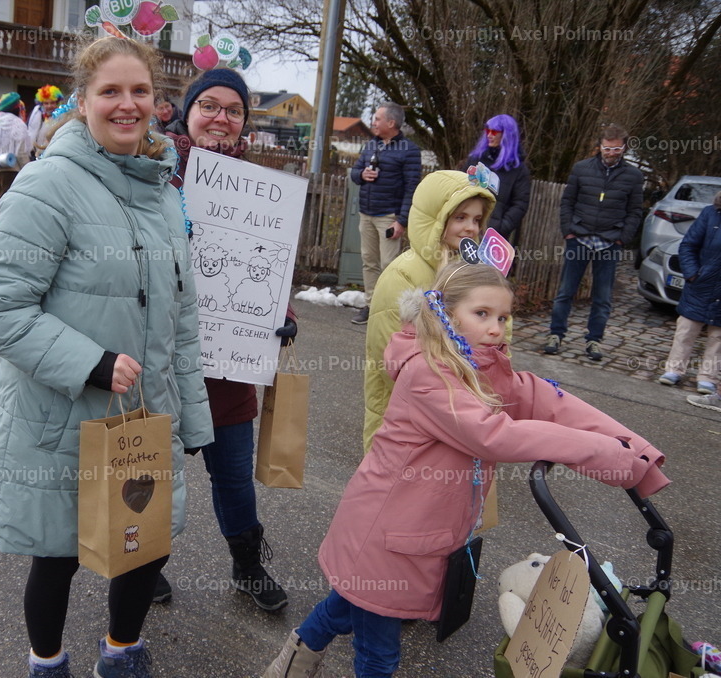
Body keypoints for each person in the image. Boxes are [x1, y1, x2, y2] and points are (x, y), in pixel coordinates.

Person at [264, 263, 670, 678]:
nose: (496, 328)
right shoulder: (429, 372)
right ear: (446, 311)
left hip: (414, 533)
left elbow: (548, 401)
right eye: (482, 314)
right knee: (378, 653)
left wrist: (633, 452)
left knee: (346, 608)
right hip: (386, 538)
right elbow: (493, 436)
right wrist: (603, 453)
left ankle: (293, 662)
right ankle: (295, 661)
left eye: (503, 317)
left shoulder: (479, 366)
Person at [0, 36, 213, 678]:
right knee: (57, 554)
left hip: (143, 417)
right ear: (83, 101)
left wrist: (191, 415)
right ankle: (47, 663)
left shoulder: (164, 191)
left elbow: (183, 317)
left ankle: (121, 651)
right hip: (62, 417)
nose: (126, 105)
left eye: (139, 91)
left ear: (157, 103)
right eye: (110, 91)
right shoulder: (47, 185)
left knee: (141, 546)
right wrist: (92, 363)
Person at [159, 67, 294, 612]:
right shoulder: (154, 174)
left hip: (228, 363)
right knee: (151, 468)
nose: (221, 118)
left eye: (233, 110)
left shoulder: (262, 191)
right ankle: (140, 564)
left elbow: (269, 265)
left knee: (235, 476)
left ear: (243, 123)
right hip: (163, 359)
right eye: (209, 106)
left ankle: (246, 564)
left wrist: (279, 311)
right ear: (188, 113)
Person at [362, 170, 494, 452]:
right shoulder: (403, 276)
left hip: (463, 417)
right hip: (405, 426)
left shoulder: (472, 273)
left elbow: (495, 340)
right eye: (460, 217)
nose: (471, 227)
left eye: (477, 219)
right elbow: (391, 361)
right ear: (436, 218)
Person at [543, 123, 642, 361]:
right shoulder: (581, 168)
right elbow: (567, 202)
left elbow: (635, 211)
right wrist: (569, 231)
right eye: (607, 149)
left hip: (610, 242)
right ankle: (555, 335)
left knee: (602, 296)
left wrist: (622, 239)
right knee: (566, 291)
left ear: (624, 148)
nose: (611, 153)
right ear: (600, 146)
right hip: (579, 237)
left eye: (616, 150)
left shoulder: (634, 176)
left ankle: (594, 341)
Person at [349, 102, 422, 324]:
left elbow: (412, 187)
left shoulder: (410, 150)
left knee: (388, 266)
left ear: (391, 122)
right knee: (369, 262)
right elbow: (354, 173)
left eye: (377, 118)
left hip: (389, 218)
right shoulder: (371, 145)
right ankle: (370, 306)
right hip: (366, 214)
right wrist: (362, 174)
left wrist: (402, 221)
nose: (373, 122)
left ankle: (387, 310)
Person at [659, 190, 721, 396]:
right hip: (702, 283)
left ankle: (708, 377)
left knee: (718, 336)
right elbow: (688, 246)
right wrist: (693, 274)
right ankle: (674, 370)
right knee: (686, 329)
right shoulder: (710, 214)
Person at [461, 114, 531, 243]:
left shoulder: (519, 170)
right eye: (487, 130)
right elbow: (460, 186)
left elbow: (520, 204)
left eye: (494, 131)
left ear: (506, 136)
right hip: (465, 228)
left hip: (492, 237)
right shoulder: (475, 160)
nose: (489, 135)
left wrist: (499, 228)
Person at [0, 91, 30, 204]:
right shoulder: (17, 123)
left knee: (0, 199)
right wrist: (27, 169)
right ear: (17, 108)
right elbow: (21, 151)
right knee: (9, 202)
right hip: (12, 169)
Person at [27, 84, 64, 158]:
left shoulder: (61, 117)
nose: (49, 106)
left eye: (52, 103)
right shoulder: (35, 113)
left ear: (57, 103)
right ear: (41, 104)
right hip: (33, 153)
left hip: (50, 154)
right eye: (46, 103)